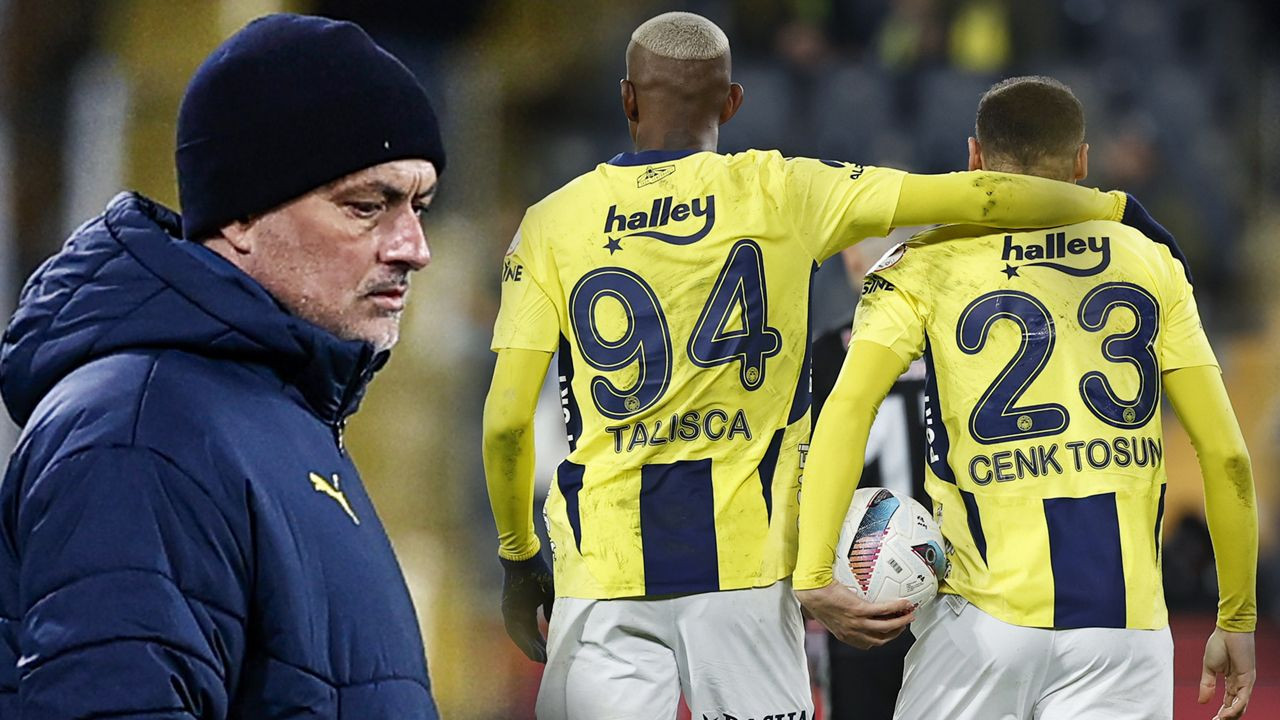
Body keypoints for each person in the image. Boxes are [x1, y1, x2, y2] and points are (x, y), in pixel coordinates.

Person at [483, 12, 1145, 719]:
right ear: (733, 102)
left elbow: (506, 425)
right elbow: (984, 195)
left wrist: (519, 558)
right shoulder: (786, 189)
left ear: (627, 98)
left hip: (601, 571)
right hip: (747, 573)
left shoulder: (551, 223)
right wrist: (1117, 210)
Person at [0, 14, 446, 718]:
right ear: (240, 215)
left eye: (420, 206)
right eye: (368, 206)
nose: (413, 247)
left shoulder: (274, 423)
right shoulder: (141, 432)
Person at [795, 76, 1258, 720]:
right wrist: (1237, 616)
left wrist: (814, 574)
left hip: (980, 624)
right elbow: (1226, 454)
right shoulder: (1150, 259)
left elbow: (846, 412)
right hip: (1123, 631)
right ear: (1083, 161)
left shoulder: (924, 264)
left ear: (974, 158)